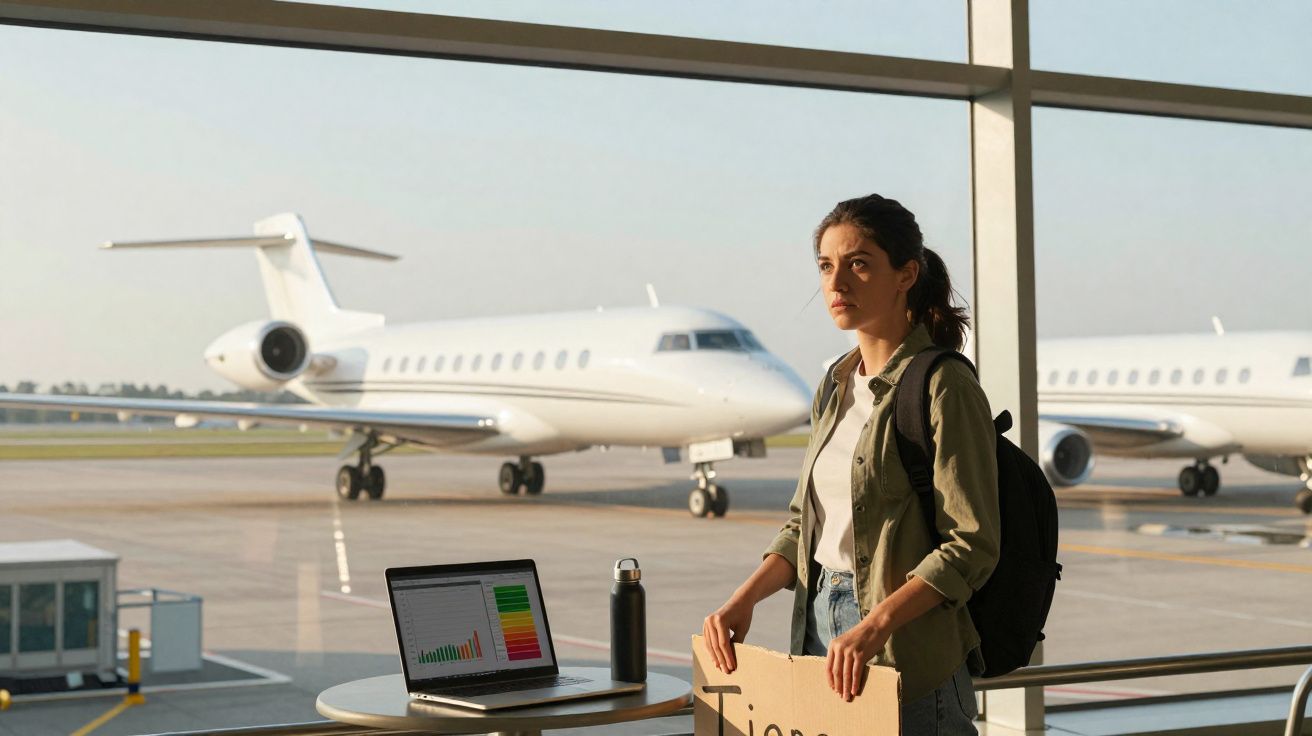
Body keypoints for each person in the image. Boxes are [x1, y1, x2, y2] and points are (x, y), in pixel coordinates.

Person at [702, 194, 1000, 735]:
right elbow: (804, 526)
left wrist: (876, 625)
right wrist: (743, 600)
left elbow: (971, 545)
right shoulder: (834, 386)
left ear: (906, 274)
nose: (836, 282)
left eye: (858, 263)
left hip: (908, 654)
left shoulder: (944, 385)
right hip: (819, 638)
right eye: (825, 265)